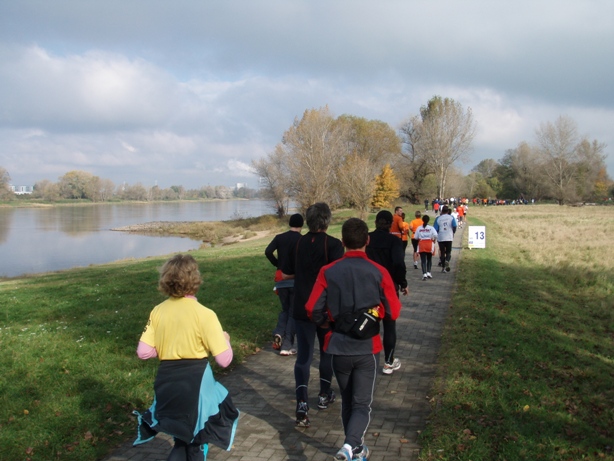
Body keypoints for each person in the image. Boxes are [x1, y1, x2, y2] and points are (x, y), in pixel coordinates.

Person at [306, 218, 401, 461]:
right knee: (362, 405)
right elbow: (394, 311)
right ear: (367, 240)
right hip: (367, 348)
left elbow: (312, 308)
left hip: (338, 346)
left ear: (343, 242)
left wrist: (328, 328)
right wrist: (377, 314)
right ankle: (350, 446)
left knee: (348, 402)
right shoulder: (379, 272)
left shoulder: (328, 271)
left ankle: (355, 449)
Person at [133, 254, 239, 461]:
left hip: (167, 381)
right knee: (196, 442)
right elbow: (224, 360)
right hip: (195, 382)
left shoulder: (158, 311)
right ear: (195, 279)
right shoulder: (205, 314)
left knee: (181, 438)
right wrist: (225, 340)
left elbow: (143, 352)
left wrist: (167, 346)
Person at [281, 202, 344, 427]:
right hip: (325, 309)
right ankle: (324, 394)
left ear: (308, 220)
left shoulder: (297, 244)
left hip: (301, 306)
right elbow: (338, 279)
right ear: (327, 220)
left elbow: (287, 271)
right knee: (326, 352)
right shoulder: (335, 245)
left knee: (304, 357)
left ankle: (301, 403)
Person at [366, 210, 408, 375]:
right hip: (389, 287)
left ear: (375, 222)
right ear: (391, 224)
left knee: (370, 322)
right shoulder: (394, 241)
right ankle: (389, 362)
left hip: (369, 288)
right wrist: (403, 283)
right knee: (390, 324)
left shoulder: (367, 239)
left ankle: (368, 359)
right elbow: (398, 264)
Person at [264, 213, 304, 355]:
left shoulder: (279, 238)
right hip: (296, 281)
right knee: (293, 313)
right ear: (302, 224)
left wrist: (277, 264)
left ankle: (279, 332)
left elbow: (268, 251)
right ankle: (287, 346)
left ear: (289, 224)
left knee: (284, 310)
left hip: (281, 281)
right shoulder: (302, 240)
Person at [433, 206, 457, 273]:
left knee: (442, 252)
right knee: (448, 251)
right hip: (449, 236)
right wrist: (453, 232)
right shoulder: (451, 217)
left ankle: (443, 267)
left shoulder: (438, 218)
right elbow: (454, 226)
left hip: (441, 237)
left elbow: (435, 229)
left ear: (441, 211)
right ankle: (447, 260)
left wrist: (435, 236)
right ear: (448, 211)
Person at [415, 215, 438, 281]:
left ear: (422, 220)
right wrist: (433, 239)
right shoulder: (431, 228)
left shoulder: (419, 228)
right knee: (429, 259)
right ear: (428, 220)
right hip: (429, 244)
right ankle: (429, 272)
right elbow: (436, 235)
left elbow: (416, 237)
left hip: (422, 244)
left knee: (423, 260)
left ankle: (424, 273)